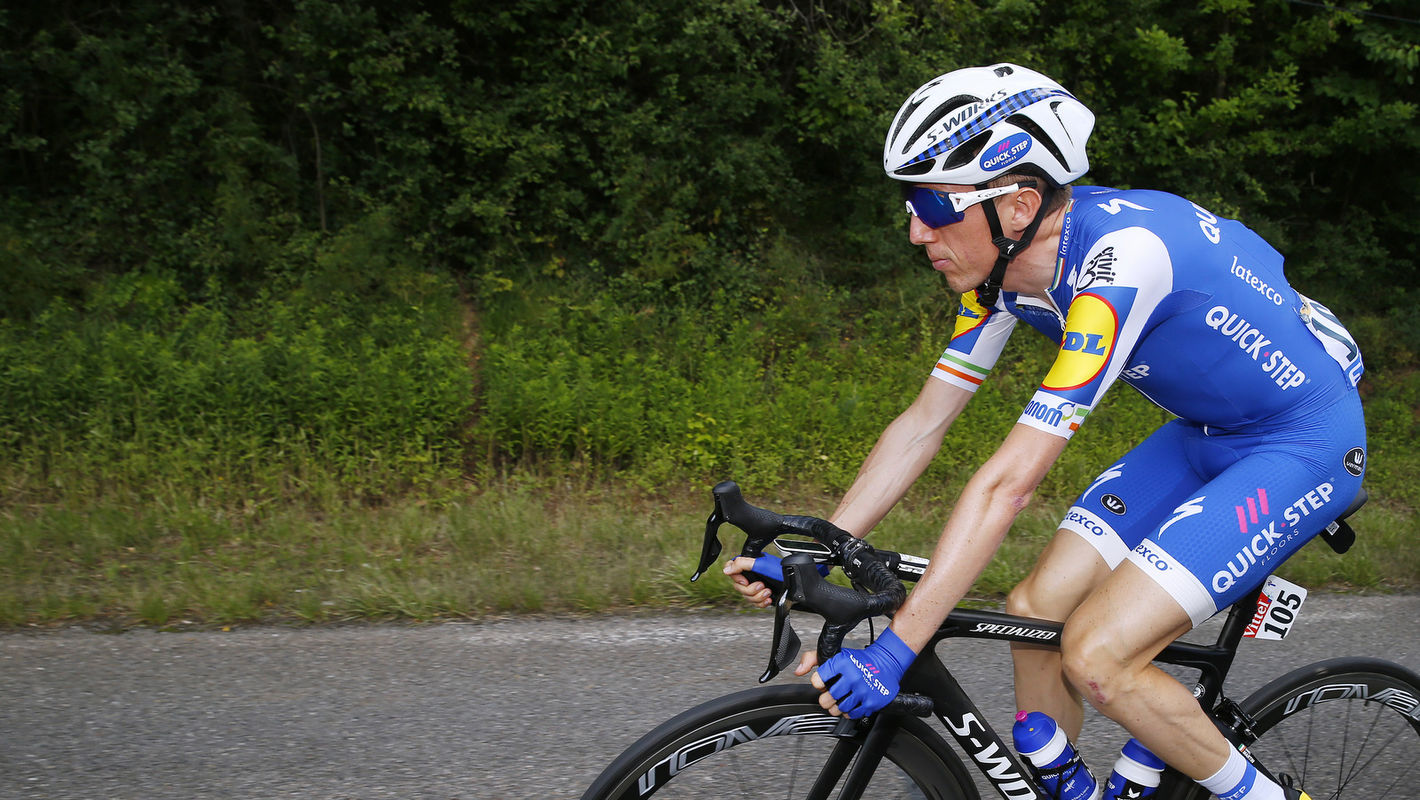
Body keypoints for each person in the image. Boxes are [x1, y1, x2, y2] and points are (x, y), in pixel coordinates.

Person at [724, 63, 1365, 800]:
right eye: (909, 203)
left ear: (1020, 204)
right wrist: (820, 549)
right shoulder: (999, 279)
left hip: (1301, 441)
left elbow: (1009, 483)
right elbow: (923, 424)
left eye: (934, 204)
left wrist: (900, 645)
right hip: (1207, 433)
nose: (914, 230)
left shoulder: (1118, 266)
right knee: (1034, 612)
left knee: (1099, 656)